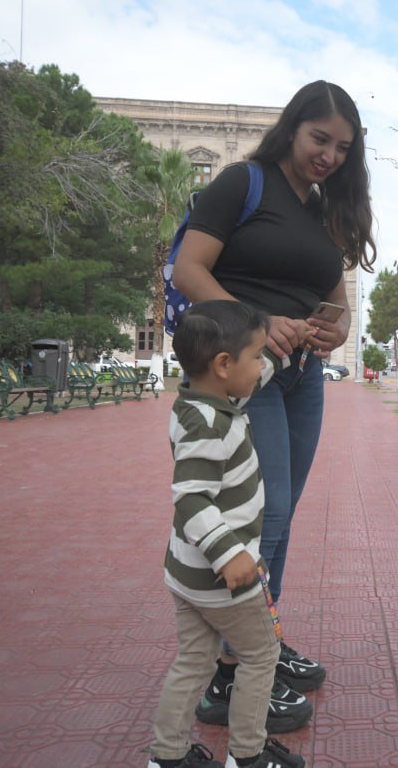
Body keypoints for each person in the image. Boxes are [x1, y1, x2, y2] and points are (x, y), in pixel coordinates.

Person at [171, 80, 376, 729]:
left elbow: (336, 299)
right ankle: (229, 675)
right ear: (292, 129)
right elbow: (189, 270)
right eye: (320, 139)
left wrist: (336, 328)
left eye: (342, 148)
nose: (329, 156)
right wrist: (260, 322)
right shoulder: (244, 183)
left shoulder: (324, 210)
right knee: (263, 515)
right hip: (243, 376)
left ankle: (261, 639)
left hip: (302, 378)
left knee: (278, 520)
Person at [146, 300, 305, 768]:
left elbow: (256, 375)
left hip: (187, 575)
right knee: (261, 655)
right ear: (223, 365)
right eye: (255, 355)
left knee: (194, 661)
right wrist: (229, 554)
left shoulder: (203, 401)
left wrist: (288, 348)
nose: (259, 365)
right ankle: (248, 755)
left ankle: (167, 757)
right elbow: (192, 498)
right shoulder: (208, 426)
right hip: (222, 579)